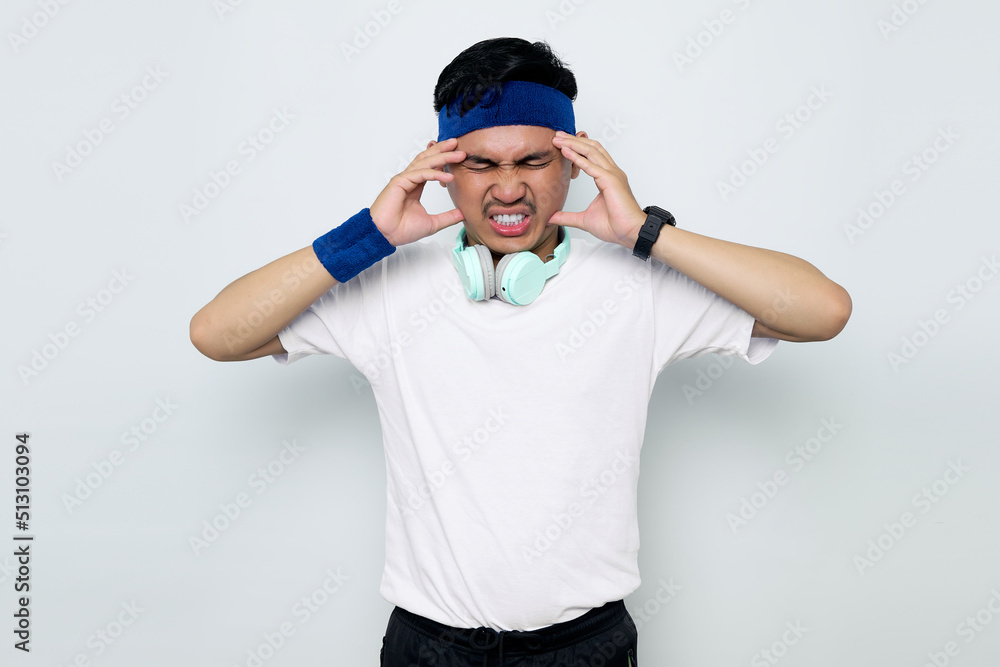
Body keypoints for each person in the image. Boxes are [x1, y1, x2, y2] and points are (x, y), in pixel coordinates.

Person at [190, 36, 851, 667]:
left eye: (532, 160)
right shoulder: (386, 282)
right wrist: (366, 236)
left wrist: (644, 231)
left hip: (585, 646)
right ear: (444, 170)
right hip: (429, 648)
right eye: (482, 164)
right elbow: (217, 333)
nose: (508, 188)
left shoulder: (635, 285)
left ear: (573, 161)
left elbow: (824, 310)